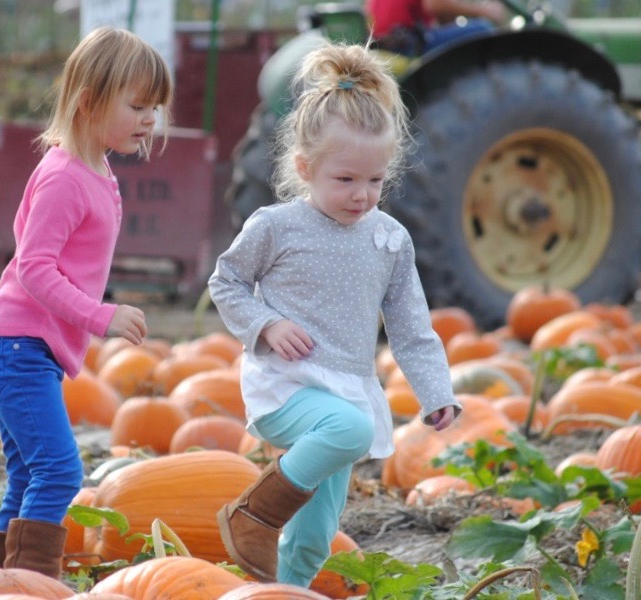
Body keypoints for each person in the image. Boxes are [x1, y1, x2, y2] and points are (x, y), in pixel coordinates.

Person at [208, 41, 462, 586]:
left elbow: (413, 329)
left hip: (345, 389)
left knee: (317, 532)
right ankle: (251, 515)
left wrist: (436, 391)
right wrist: (266, 325)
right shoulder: (276, 226)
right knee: (352, 428)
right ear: (305, 167)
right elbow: (225, 283)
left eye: (374, 181)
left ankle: (283, 590)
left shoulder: (391, 239)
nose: (362, 196)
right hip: (286, 387)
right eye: (345, 180)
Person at [0, 26, 172, 579]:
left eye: (155, 106)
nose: (150, 118)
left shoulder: (97, 170)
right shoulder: (63, 177)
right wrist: (101, 316)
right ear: (88, 102)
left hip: (25, 347)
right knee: (58, 471)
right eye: (137, 105)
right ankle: (30, 582)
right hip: (13, 346)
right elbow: (34, 268)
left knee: (29, 476)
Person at [366, 0, 508, 55]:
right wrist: (482, 11)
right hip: (406, 44)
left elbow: (443, 17)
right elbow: (434, 5)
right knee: (482, 29)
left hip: (386, 46)